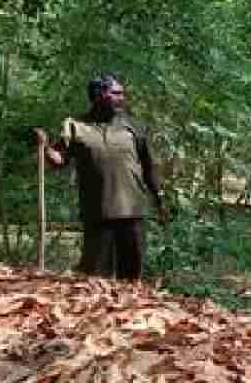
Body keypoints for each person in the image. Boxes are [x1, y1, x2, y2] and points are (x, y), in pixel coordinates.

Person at [32, 73, 167, 280]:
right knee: (94, 278)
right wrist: (44, 145)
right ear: (98, 95)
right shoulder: (76, 127)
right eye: (116, 93)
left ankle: (128, 312)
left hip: (132, 212)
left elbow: (149, 167)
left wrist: (159, 198)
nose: (122, 98)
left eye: (122, 93)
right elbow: (59, 160)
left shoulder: (134, 127)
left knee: (131, 278)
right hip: (98, 213)